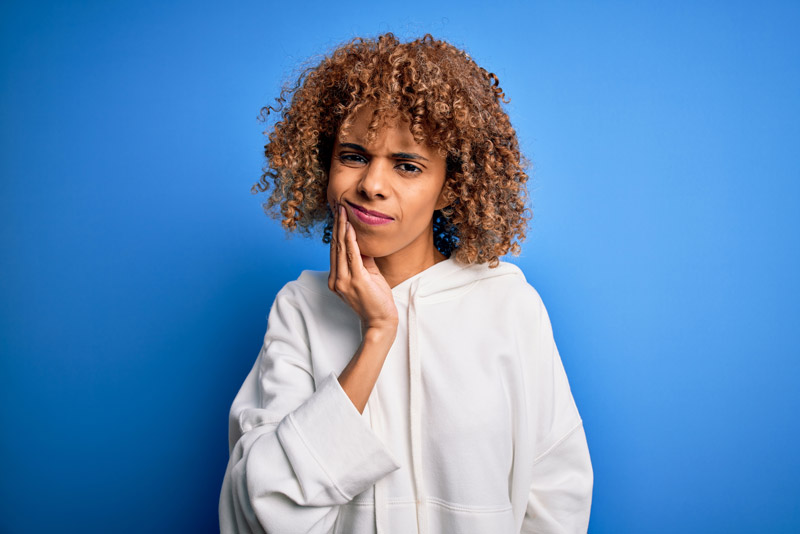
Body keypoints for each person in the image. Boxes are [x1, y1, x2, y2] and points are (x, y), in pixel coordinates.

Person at [219, 33, 593, 533]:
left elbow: (556, 492)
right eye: (353, 155)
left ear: (448, 188)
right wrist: (377, 334)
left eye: (408, 165)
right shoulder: (300, 310)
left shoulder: (509, 306)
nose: (372, 184)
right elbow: (264, 510)